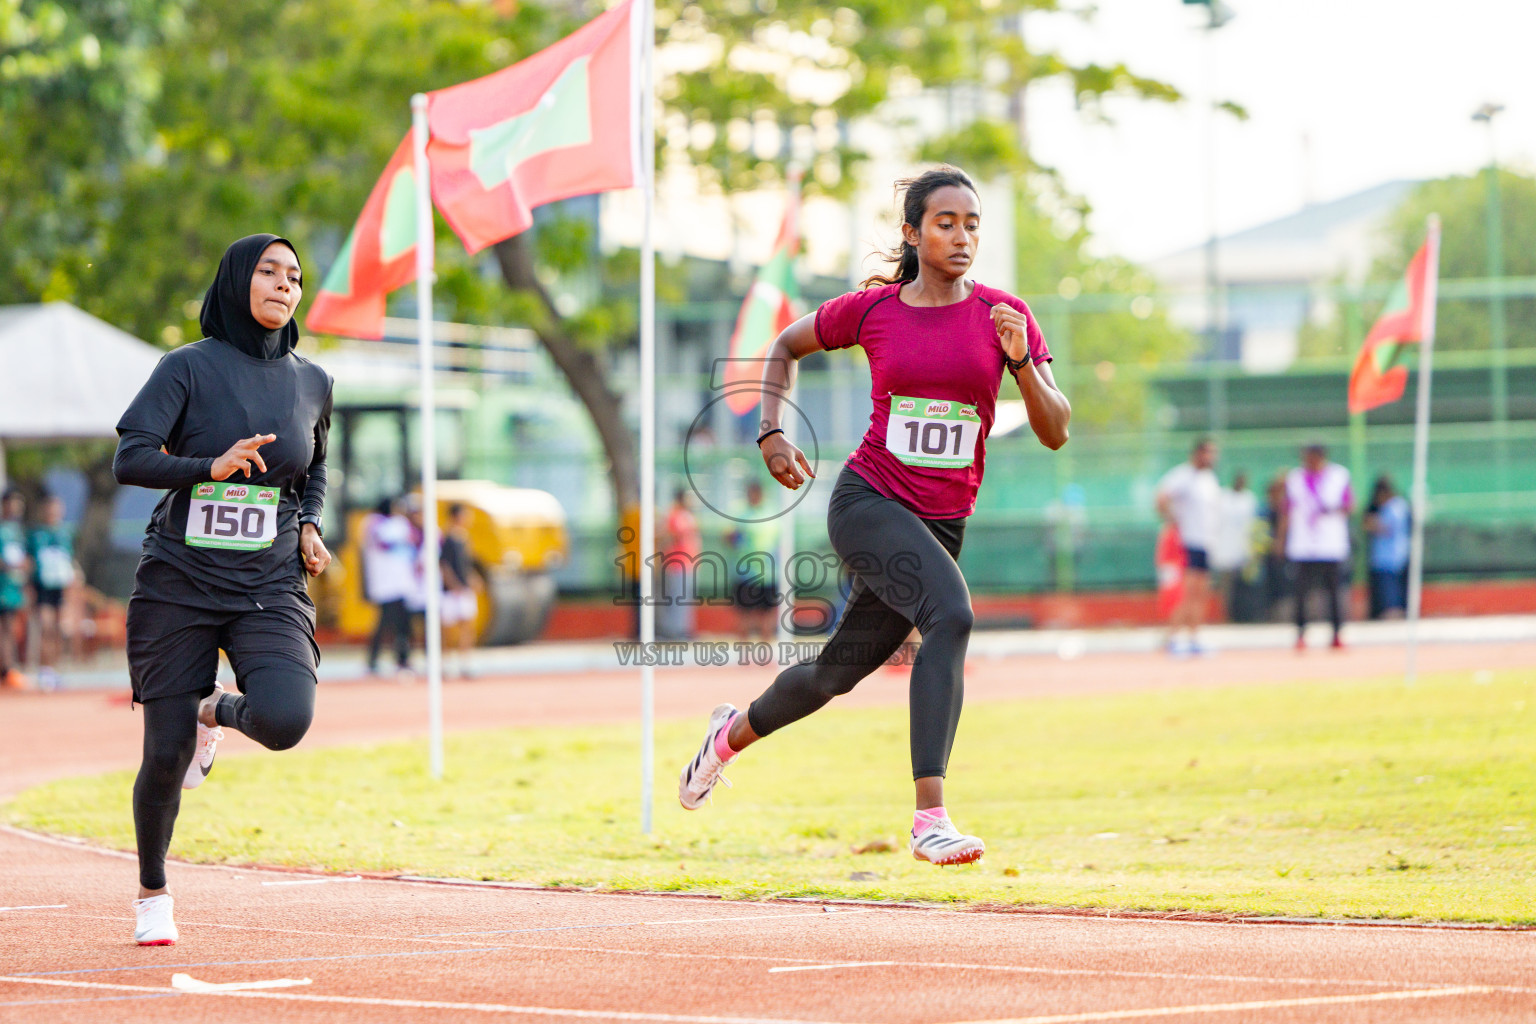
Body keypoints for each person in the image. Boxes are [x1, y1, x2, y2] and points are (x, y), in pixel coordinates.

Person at [677, 166, 1070, 866]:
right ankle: (930, 818)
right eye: (946, 222)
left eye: (973, 223)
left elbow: (1055, 429)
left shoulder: (1004, 316)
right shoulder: (873, 310)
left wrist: (1024, 366)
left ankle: (726, 736)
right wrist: (770, 432)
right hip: (868, 502)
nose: (962, 235)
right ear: (913, 233)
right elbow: (783, 347)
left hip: (940, 522)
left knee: (834, 674)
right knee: (952, 613)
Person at [113, 234, 333, 946]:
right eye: (268, 272)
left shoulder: (312, 381)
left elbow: (314, 468)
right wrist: (212, 467)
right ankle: (153, 891)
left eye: (295, 276)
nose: (283, 285)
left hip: (267, 580)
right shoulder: (188, 367)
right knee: (166, 752)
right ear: (238, 279)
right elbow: (131, 457)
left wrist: (308, 522)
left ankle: (218, 706)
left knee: (285, 718)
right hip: (179, 580)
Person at [1280, 443, 1353, 650]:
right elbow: (1286, 510)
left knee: (1334, 592)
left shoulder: (1339, 476)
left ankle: (1337, 633)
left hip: (1331, 544)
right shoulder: (1294, 479)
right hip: (1302, 545)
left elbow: (1349, 505)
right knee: (1301, 593)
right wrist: (1281, 540)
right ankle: (1301, 634)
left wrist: (1332, 510)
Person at [1155, 438, 1220, 655]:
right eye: (1207, 453)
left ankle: (1193, 637)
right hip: (1189, 542)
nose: (1211, 458)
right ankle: (1171, 637)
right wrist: (1173, 520)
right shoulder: (1183, 476)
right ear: (1197, 454)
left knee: (1201, 593)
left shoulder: (1209, 479)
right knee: (1187, 594)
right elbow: (1162, 498)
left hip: (1205, 543)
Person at [362, 496, 418, 677]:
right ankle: (374, 660)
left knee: (403, 624)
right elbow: (383, 543)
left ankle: (402, 659)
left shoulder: (399, 524)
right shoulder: (374, 523)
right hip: (385, 583)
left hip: (401, 582)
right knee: (385, 624)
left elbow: (413, 540)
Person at [27, 493, 77, 689]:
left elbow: (69, 560)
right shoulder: (36, 534)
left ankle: (55, 669)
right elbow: (30, 561)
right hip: (42, 587)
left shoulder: (65, 534)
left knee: (58, 629)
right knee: (45, 627)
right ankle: (44, 669)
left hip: (60, 588)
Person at [728, 480, 780, 641]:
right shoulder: (740, 513)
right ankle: (744, 656)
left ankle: (765, 656)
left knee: (767, 615)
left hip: (768, 574)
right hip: (746, 573)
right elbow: (729, 537)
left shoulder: (772, 514)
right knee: (745, 615)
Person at [439, 502, 479, 678]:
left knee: (467, 627)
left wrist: (473, 579)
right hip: (451, 591)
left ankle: (465, 663)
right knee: (447, 631)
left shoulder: (464, 538)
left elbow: (466, 564)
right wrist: (453, 584)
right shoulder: (447, 539)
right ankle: (445, 665)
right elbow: (444, 565)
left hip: (464, 589)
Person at [658, 487, 701, 641]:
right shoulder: (673, 515)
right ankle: (673, 631)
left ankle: (685, 629)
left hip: (689, 563)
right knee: (676, 597)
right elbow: (667, 537)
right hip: (675, 563)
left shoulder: (689, 516)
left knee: (685, 598)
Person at [1364, 475, 1411, 620]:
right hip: (1386, 557)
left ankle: (1393, 615)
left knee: (1391, 593)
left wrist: (1371, 523)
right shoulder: (1393, 506)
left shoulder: (1396, 506)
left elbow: (1384, 528)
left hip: (1391, 557)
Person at [0, 489, 28, 690]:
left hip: (13, 587)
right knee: (4, 628)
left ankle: (8, 669)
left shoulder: (18, 530)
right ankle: (7, 669)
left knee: (11, 628)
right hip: (3, 584)